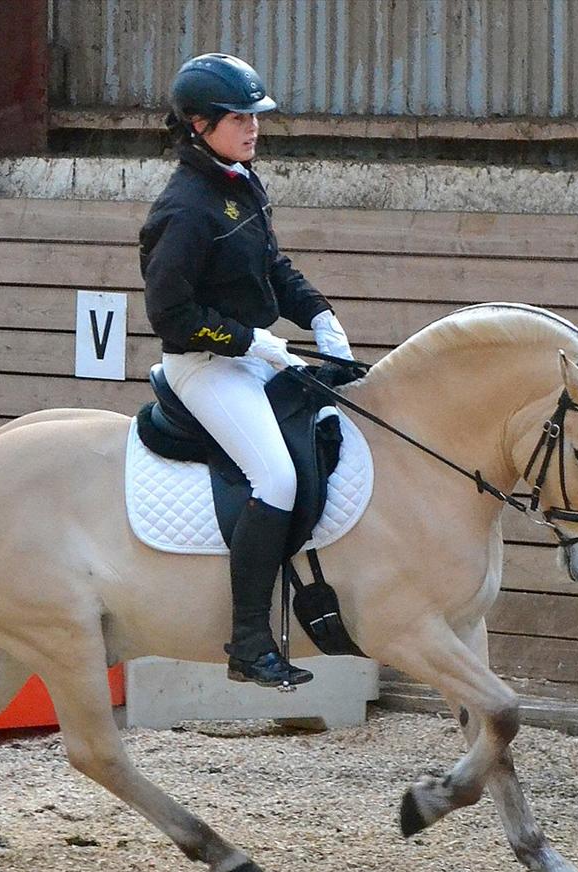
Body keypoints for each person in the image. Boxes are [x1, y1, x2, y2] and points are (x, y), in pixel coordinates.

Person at [138, 53, 355, 689]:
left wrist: (319, 316)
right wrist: (250, 343)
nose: (254, 128)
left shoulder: (240, 181)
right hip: (206, 367)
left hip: (253, 358)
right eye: (239, 118)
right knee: (276, 478)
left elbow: (271, 269)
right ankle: (250, 642)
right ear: (200, 124)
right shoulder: (184, 208)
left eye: (255, 117)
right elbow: (171, 314)